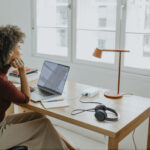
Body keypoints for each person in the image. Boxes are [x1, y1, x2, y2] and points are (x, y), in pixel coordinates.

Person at [0, 25, 67, 150]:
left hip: (2, 122)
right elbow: (25, 98)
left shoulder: (2, 77)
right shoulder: (3, 83)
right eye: (18, 47)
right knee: (44, 125)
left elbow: (6, 88)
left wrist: (8, 63)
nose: (21, 51)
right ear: (10, 53)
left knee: (39, 117)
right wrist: (21, 70)